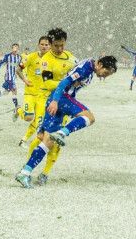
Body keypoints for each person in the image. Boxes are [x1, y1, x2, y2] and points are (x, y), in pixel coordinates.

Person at [15, 55, 118, 188]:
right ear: (99, 64)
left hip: (58, 99)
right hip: (61, 98)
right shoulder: (86, 68)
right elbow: (63, 83)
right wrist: (55, 101)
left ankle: (24, 172)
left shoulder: (89, 66)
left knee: (46, 140)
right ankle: (62, 133)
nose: (104, 76)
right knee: (89, 117)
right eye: (105, 72)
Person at [25, 28, 77, 185]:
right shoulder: (46, 60)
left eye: (62, 45)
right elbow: (47, 83)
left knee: (54, 140)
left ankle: (45, 173)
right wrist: (66, 83)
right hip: (49, 103)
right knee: (40, 137)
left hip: (65, 104)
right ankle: (27, 166)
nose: (59, 49)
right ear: (51, 44)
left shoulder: (72, 59)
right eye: (56, 46)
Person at [17, 36, 51, 147]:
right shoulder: (31, 57)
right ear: (38, 45)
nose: (44, 46)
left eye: (46, 45)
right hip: (30, 92)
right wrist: (25, 80)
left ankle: (24, 139)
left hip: (44, 95)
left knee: (39, 122)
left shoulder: (52, 59)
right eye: (42, 44)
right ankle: (18, 110)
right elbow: (18, 69)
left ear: (50, 46)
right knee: (28, 117)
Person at [0, 44, 29, 119]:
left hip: (13, 77)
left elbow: (21, 66)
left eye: (16, 48)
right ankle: (16, 107)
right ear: (12, 48)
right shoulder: (7, 56)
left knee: (5, 92)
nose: (15, 49)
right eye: (14, 47)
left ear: (18, 49)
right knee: (14, 90)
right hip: (8, 77)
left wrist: (22, 68)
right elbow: (0, 63)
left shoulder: (19, 57)